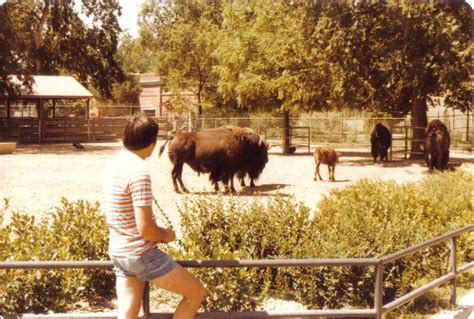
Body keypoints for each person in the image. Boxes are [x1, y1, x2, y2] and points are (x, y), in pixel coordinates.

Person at [102, 113, 206, 319]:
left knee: (128, 311)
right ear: (152, 142)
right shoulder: (138, 171)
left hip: (119, 251)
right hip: (141, 253)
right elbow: (146, 230)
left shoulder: (113, 164)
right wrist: (167, 235)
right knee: (196, 292)